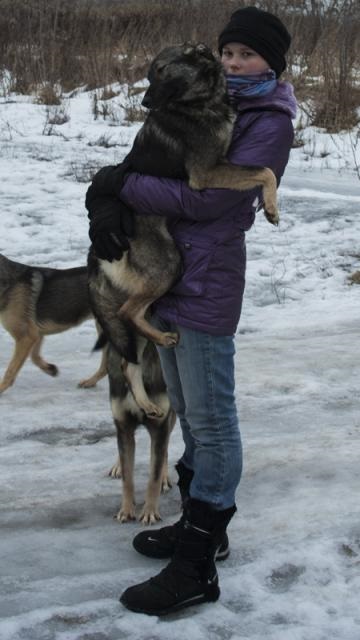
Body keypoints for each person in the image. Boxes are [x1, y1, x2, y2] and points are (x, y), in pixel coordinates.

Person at [85, 6, 297, 616]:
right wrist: (113, 190)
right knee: (187, 412)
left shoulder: (268, 120)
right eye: (228, 53)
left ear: (272, 64)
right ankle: (199, 531)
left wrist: (123, 185)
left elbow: (207, 201)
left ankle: (199, 561)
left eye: (247, 56)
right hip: (172, 278)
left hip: (205, 285)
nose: (234, 64)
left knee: (212, 421)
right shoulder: (212, 105)